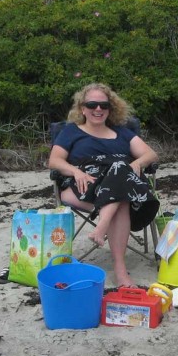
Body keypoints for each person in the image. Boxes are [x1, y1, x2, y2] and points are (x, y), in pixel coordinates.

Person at [48, 83, 160, 287]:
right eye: (92, 104)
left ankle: (103, 225)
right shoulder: (71, 131)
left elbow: (150, 154)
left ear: (110, 108)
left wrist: (135, 164)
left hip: (124, 186)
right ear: (82, 108)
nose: (98, 109)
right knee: (121, 197)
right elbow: (54, 161)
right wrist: (75, 171)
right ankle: (120, 271)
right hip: (86, 187)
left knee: (120, 169)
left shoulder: (122, 132)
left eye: (103, 105)